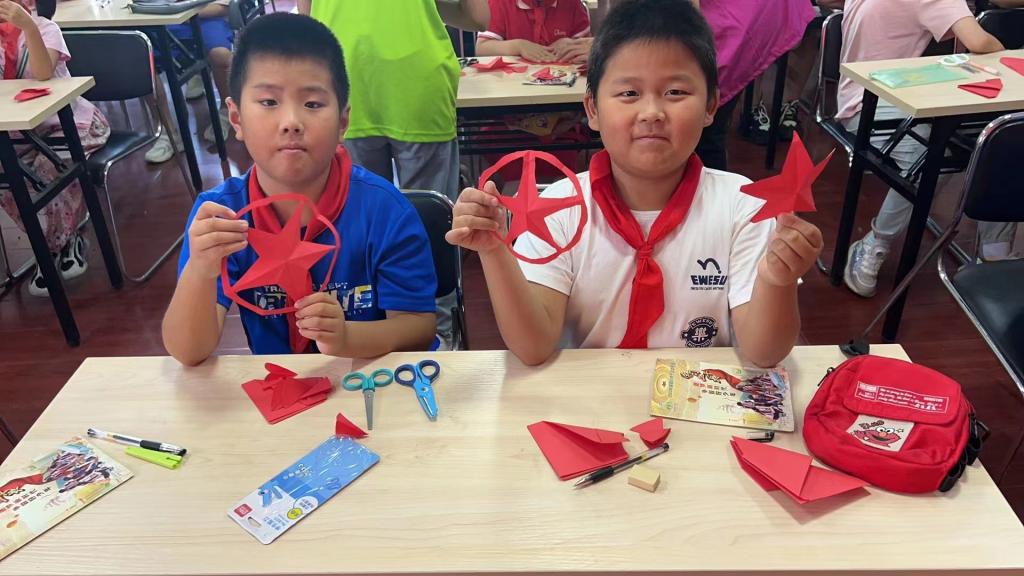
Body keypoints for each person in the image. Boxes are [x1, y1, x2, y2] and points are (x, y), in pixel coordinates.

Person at [446, 0, 823, 367]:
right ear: (592, 109)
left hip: (700, 398)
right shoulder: (559, 207)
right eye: (629, 93)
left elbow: (764, 353)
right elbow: (533, 348)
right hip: (593, 398)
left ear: (711, 106)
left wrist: (776, 279)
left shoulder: (743, 208)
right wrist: (495, 253)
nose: (652, 113)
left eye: (676, 92)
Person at [162, 13, 438, 366]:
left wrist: (347, 337)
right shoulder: (221, 218)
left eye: (312, 104)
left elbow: (418, 328)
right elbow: (188, 351)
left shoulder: (385, 211)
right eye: (268, 102)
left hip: (371, 378)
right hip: (281, 387)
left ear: (343, 122)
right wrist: (201, 270)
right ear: (236, 119)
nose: (291, 122)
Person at [299, 0, 489, 350]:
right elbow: (478, 16)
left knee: (357, 218)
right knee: (433, 223)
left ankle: (366, 330)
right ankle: (438, 333)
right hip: (416, 75)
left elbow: (307, 15)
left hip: (342, 73)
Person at [837, 0, 1012, 298]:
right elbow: (979, 42)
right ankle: (876, 242)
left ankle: (995, 252)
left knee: (1002, 142)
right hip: (872, 101)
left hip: (884, 90)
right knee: (933, 161)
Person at [0, 0, 110, 297]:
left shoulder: (45, 29)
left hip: (69, 126)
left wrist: (27, 26)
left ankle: (58, 244)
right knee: (8, 178)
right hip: (20, 134)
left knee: (50, 170)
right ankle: (51, 243)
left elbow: (43, 73)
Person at [476, 0, 593, 192]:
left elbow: (585, 51)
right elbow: (482, 49)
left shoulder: (573, 6)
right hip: (507, 118)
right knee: (514, 176)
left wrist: (572, 46)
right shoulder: (499, 4)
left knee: (562, 174)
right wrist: (518, 46)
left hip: (562, 120)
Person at [145, 0, 235, 164]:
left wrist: (182, 14)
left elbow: (222, 7)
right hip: (159, 19)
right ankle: (168, 133)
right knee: (142, 62)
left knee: (220, 55)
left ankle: (226, 109)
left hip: (204, 17)